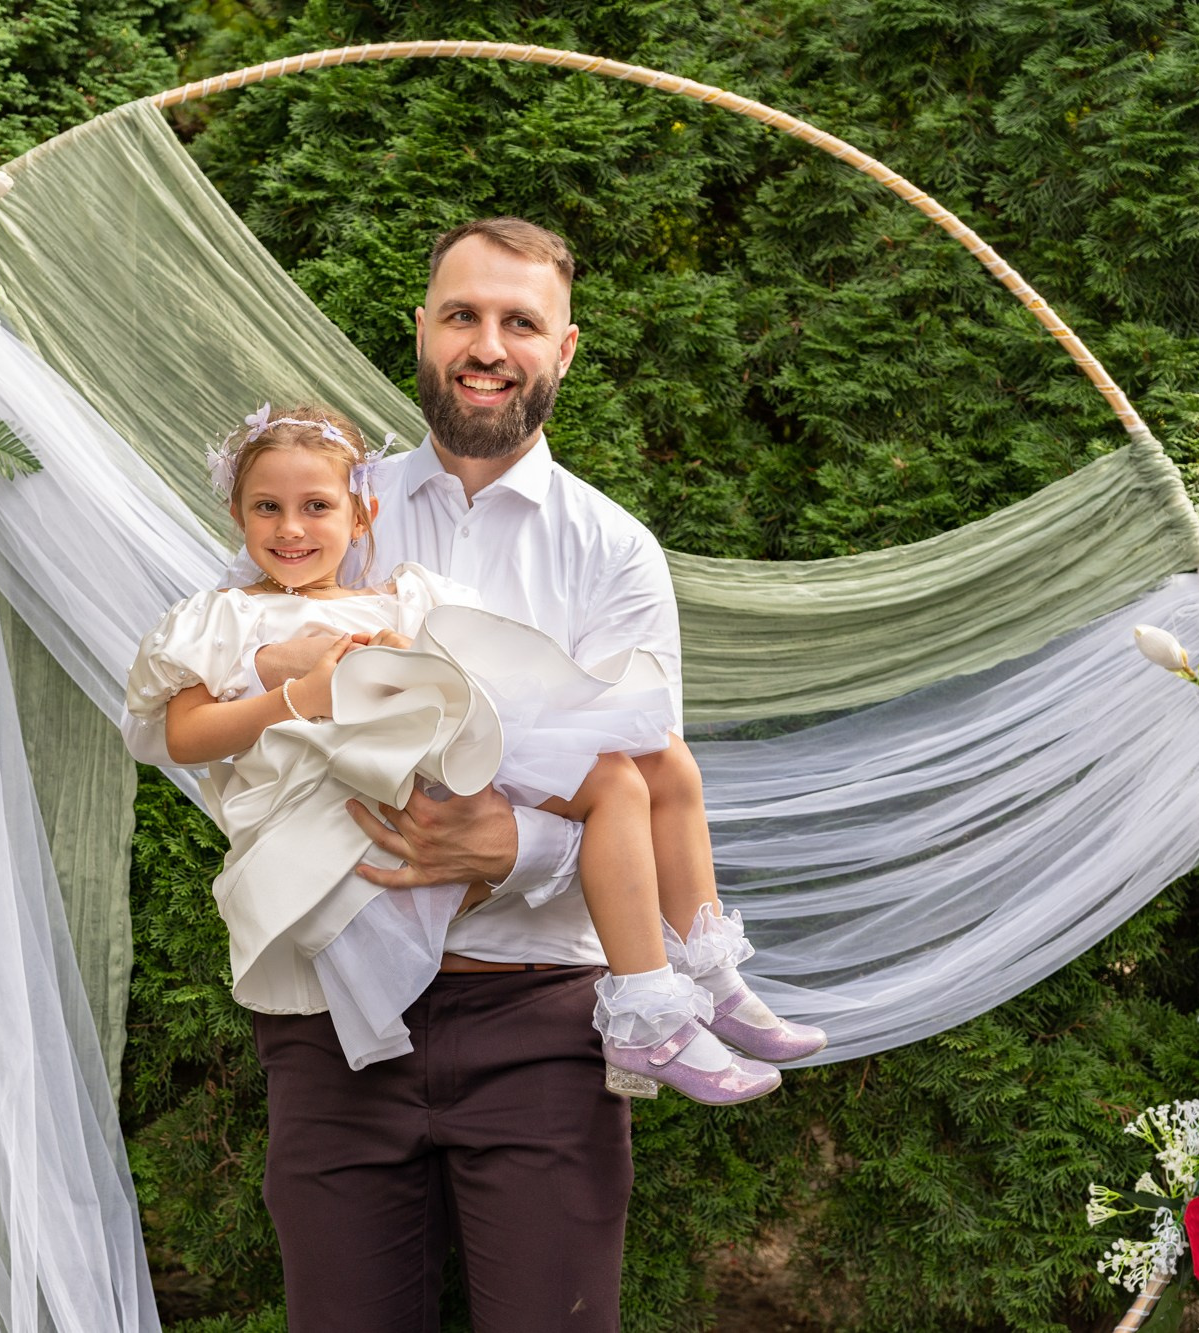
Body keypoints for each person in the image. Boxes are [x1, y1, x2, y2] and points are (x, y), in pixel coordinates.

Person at [225, 219, 821, 1330]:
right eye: (461, 315)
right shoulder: (318, 513)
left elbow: (639, 779)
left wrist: (520, 850)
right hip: (334, 1025)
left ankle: (706, 981)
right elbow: (243, 726)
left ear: (564, 348)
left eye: (517, 322)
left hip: (538, 1027)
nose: (485, 344)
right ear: (420, 331)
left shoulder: (611, 552)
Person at [123, 402, 784, 1104]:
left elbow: (464, 685)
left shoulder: (400, 600)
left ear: (360, 516)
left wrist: (409, 656)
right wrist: (297, 690)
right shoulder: (226, 617)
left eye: (315, 505)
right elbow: (181, 735)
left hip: (446, 775)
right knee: (616, 784)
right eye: (267, 507)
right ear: (238, 515)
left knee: (658, 761)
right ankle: (649, 1014)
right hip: (354, 831)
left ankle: (706, 972)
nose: (290, 527)